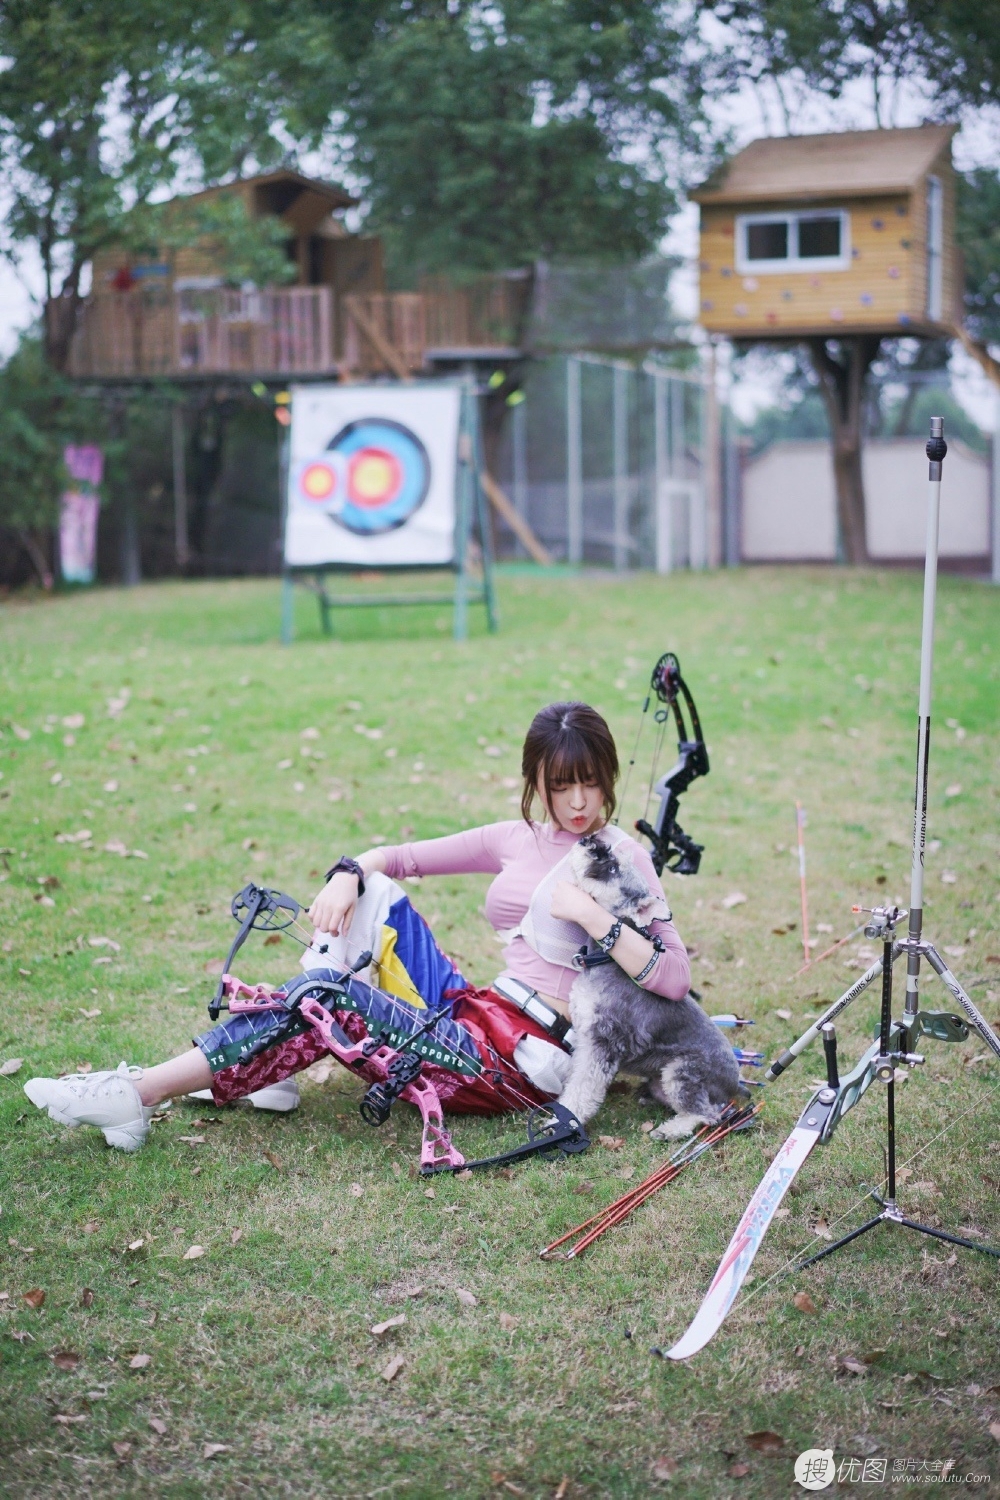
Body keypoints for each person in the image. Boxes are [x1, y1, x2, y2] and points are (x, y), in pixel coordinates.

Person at [24, 702, 691, 1152]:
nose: (577, 802)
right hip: (478, 1011)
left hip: (520, 1061)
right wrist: (348, 874)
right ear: (535, 781)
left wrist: (594, 916)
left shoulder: (622, 859)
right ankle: (263, 1071)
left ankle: (135, 1092)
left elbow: (673, 976)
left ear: (609, 780)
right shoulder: (517, 838)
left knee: (327, 999)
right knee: (376, 895)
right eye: (560, 784)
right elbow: (395, 858)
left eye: (591, 784)